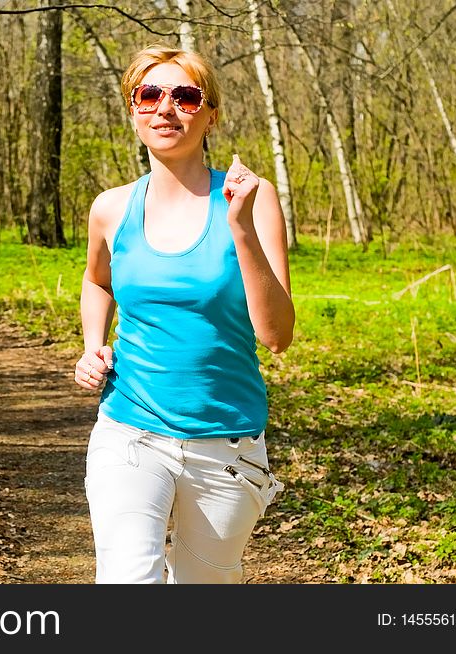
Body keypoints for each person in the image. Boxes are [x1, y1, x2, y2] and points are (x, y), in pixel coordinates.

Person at [73, 44, 295, 584]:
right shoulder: (111, 208)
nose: (165, 108)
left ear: (211, 113)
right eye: (148, 94)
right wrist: (92, 343)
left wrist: (240, 226)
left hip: (228, 444)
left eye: (186, 96)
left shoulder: (253, 198)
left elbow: (277, 335)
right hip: (130, 430)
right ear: (133, 109)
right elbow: (97, 280)